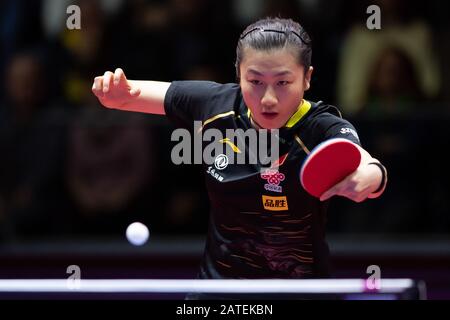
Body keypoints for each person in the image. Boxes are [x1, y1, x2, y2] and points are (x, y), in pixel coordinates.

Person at [92, 17, 387, 285]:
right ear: (239, 74)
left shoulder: (319, 127)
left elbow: (363, 160)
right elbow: (130, 95)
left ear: (307, 78)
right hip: (220, 290)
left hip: (301, 290)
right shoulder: (214, 106)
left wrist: (370, 176)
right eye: (255, 81)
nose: (268, 98)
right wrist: (113, 93)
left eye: (283, 82)